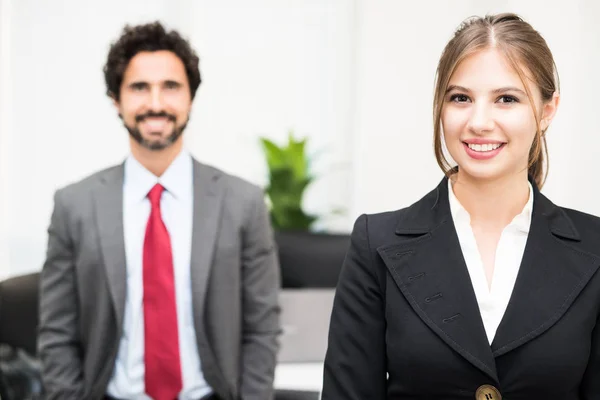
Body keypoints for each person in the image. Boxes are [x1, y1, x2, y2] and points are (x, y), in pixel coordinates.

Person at [322, 13, 600, 399]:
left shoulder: (594, 248)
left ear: (547, 110)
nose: (479, 121)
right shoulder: (375, 244)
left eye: (506, 99)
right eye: (460, 98)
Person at [38, 22, 281, 400]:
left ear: (190, 98)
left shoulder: (243, 202)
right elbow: (57, 333)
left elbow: (261, 328)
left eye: (171, 86)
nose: (155, 103)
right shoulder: (74, 205)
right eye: (139, 87)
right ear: (116, 100)